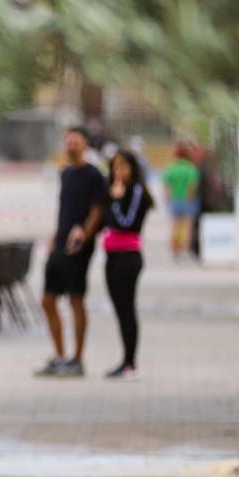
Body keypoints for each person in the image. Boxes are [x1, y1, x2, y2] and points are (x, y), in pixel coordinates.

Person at [36, 126, 108, 377]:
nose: (71, 145)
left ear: (85, 144)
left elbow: (97, 211)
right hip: (59, 244)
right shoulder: (65, 173)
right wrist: (56, 235)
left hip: (78, 248)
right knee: (47, 300)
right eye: (68, 141)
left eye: (76, 141)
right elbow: (64, 209)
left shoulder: (94, 175)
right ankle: (59, 355)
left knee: (75, 299)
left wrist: (83, 236)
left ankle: (77, 358)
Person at [102, 149, 152, 380]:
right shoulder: (112, 190)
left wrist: (115, 200)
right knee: (119, 310)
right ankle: (124, 360)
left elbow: (127, 222)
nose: (119, 171)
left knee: (127, 309)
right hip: (111, 256)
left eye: (123, 166)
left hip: (128, 257)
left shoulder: (136, 192)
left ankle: (130, 362)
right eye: (115, 166)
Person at [162, 143, 200, 261]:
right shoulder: (190, 168)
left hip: (175, 199)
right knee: (188, 228)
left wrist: (168, 198)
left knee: (175, 227)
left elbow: (166, 185)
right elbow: (192, 186)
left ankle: (174, 251)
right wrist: (189, 198)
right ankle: (186, 251)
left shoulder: (171, 168)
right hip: (187, 200)